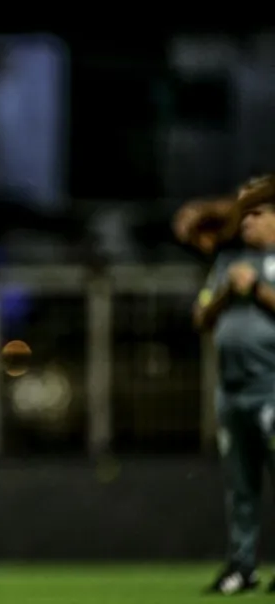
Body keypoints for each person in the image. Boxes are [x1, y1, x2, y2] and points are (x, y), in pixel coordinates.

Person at [195, 175, 275, 595]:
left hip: (272, 387)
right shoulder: (228, 264)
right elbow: (201, 315)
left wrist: (257, 290)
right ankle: (242, 566)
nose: (248, 223)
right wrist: (228, 291)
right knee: (240, 486)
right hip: (232, 389)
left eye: (258, 215)